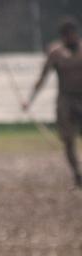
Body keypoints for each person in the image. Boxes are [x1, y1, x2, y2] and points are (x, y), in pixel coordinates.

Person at [24, 17, 82, 188]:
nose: (68, 38)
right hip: (65, 100)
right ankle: (77, 175)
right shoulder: (55, 53)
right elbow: (43, 77)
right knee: (68, 139)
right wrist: (30, 100)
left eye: (70, 34)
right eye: (65, 35)